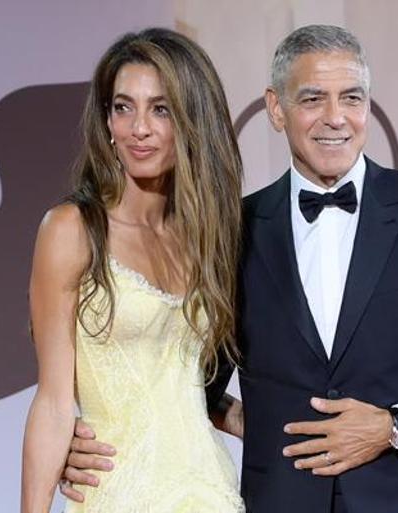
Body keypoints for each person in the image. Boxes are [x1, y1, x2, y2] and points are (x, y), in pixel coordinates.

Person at [60, 24, 398, 513]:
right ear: (276, 108)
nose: (335, 118)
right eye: (312, 99)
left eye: (351, 97)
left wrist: (395, 427)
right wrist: (101, 438)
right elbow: (190, 382)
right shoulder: (235, 229)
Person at [20, 28, 247, 513]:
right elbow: (53, 403)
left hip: (210, 490)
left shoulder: (209, 237)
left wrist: (255, 422)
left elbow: (192, 389)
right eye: (123, 107)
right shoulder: (72, 229)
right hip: (118, 493)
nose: (138, 128)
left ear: (191, 121)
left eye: (160, 109)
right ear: (107, 121)